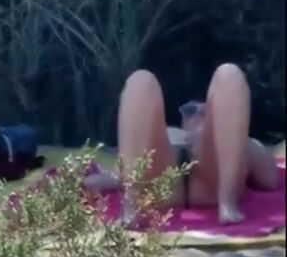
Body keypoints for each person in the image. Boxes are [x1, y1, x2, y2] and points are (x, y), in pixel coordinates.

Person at [85, 63, 279, 225]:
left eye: (205, 110)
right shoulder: (169, 133)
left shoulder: (234, 142)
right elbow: (120, 174)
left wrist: (241, 146)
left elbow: (269, 179)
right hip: (161, 180)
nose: (197, 113)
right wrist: (85, 182)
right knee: (140, 80)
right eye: (190, 109)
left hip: (213, 181)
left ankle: (227, 203)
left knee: (229, 74)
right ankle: (131, 207)